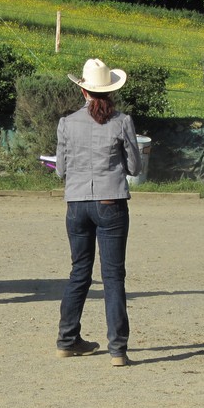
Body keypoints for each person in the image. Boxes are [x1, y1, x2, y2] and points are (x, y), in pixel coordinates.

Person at [54, 58, 141, 367]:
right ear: (111, 91)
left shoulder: (66, 122)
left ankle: (67, 339)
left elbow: (60, 169)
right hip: (110, 201)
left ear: (83, 90)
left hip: (76, 203)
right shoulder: (122, 121)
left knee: (79, 271)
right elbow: (134, 167)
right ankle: (118, 348)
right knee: (113, 276)